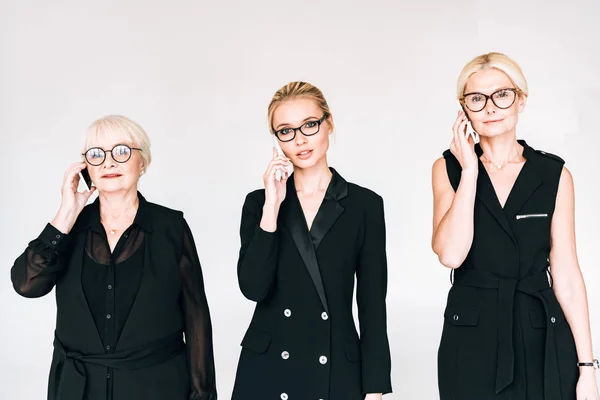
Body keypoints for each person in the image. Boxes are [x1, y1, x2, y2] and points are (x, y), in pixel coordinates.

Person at [11, 115, 217, 400]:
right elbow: (26, 285)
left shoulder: (171, 226)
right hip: (78, 390)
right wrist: (66, 214)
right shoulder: (68, 228)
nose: (108, 163)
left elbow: (196, 316)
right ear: (86, 169)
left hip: (156, 388)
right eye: (96, 155)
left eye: (121, 151)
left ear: (142, 162)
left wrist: (202, 393)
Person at [432, 52, 599, 399]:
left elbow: (567, 274)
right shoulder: (448, 169)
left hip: (538, 330)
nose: (490, 108)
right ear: (463, 109)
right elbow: (451, 253)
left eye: (502, 95)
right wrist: (469, 172)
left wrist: (587, 369)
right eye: (477, 99)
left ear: (520, 100)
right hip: (470, 334)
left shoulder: (553, 175)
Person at [232, 82, 392, 400]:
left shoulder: (364, 205)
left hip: (335, 365)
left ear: (328, 124)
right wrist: (272, 206)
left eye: (309, 125)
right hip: (267, 368)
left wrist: (374, 388)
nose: (300, 139)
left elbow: (373, 304)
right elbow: (253, 288)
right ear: (277, 140)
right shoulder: (259, 203)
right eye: (286, 131)